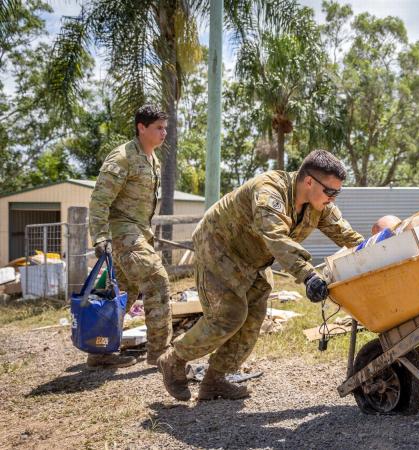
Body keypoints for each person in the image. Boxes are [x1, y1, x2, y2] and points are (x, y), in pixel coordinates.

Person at [157, 150, 364, 401]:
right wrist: (309, 276)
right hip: (220, 247)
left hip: (255, 257)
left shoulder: (318, 203)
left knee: (253, 317)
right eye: (330, 192)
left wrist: (374, 251)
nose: (333, 199)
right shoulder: (269, 191)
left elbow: (346, 235)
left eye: (336, 193)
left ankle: (215, 379)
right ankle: (174, 359)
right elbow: (276, 238)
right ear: (309, 181)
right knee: (228, 315)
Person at [87, 104, 173, 369]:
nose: (164, 133)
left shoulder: (152, 159)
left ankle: (99, 351)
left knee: (123, 291)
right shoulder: (122, 157)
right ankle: (161, 354)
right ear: (141, 127)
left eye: (165, 127)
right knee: (156, 279)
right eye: (158, 128)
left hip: (138, 234)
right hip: (122, 233)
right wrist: (100, 237)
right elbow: (99, 200)